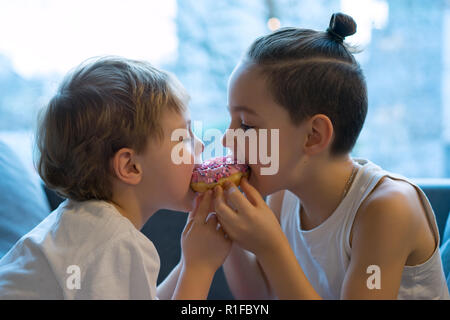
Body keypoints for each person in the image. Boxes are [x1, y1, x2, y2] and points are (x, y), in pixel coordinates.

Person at [213, 13, 450, 299]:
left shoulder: (387, 210)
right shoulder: (285, 194)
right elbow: (258, 296)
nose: (227, 138)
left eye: (247, 125)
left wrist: (270, 246)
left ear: (313, 135)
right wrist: (226, 227)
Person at [0, 56, 230, 299]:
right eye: (184, 139)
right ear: (130, 167)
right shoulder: (114, 244)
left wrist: (189, 262)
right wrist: (200, 268)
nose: (201, 145)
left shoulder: (85, 226)